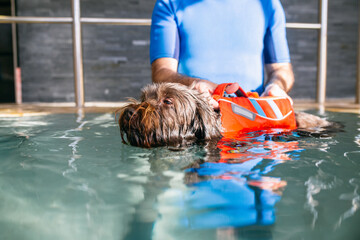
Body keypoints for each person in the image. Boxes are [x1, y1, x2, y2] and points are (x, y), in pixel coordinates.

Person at [149, 0, 295, 109]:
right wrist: (195, 85)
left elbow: (281, 70)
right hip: (195, 113)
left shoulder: (268, 4)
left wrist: (276, 86)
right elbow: (161, 72)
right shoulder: (169, 3)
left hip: (252, 114)